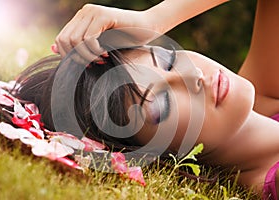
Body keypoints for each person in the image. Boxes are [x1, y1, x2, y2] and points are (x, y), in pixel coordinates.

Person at [14, 0, 279, 199]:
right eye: (163, 105)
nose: (194, 76)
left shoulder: (268, 90)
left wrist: (152, 20)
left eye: (167, 60)